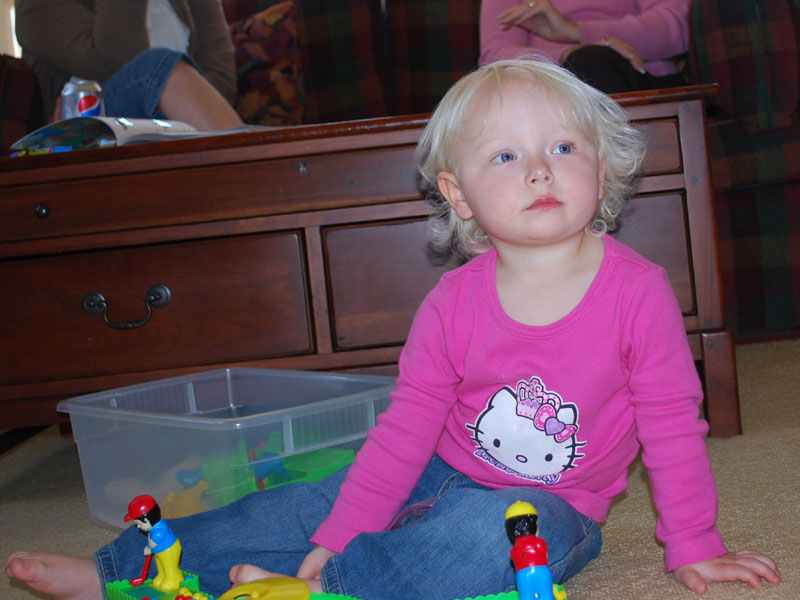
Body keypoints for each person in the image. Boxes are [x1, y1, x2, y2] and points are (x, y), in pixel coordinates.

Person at [5, 59, 781, 600]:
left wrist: (695, 545)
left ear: (602, 172)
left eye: (563, 147)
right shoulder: (452, 304)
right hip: (434, 471)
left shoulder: (638, 294)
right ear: (460, 195)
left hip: (556, 507)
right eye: (505, 155)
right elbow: (405, 431)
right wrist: (341, 528)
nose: (540, 169)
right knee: (303, 505)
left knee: (490, 537)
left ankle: (325, 590)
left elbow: (671, 428)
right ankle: (121, 571)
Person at [14, 0, 243, 131]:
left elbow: (221, 84)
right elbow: (118, 62)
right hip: (94, 129)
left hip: (182, 130)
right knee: (161, 70)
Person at [480, 0, 690, 94]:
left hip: (639, 81)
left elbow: (676, 26)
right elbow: (495, 55)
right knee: (588, 62)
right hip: (549, 88)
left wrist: (573, 31)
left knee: (594, 62)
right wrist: (567, 54)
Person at [124, 495, 183, 592]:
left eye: (139, 524)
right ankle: (162, 576)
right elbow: (150, 538)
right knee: (160, 565)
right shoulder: (152, 528)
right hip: (160, 551)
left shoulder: (159, 531)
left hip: (169, 550)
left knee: (169, 565)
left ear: (146, 520)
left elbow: (153, 542)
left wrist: (149, 548)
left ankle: (174, 579)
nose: (138, 527)